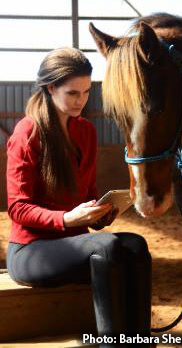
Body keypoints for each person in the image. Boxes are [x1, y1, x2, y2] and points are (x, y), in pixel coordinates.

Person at [6, 47, 152, 347]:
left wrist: (101, 213)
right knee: (107, 246)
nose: (81, 100)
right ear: (50, 88)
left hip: (76, 243)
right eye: (73, 93)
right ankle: (109, 342)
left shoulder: (86, 131)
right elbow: (17, 208)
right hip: (31, 250)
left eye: (86, 92)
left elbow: (88, 194)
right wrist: (67, 218)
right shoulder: (27, 133)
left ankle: (138, 340)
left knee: (136, 245)